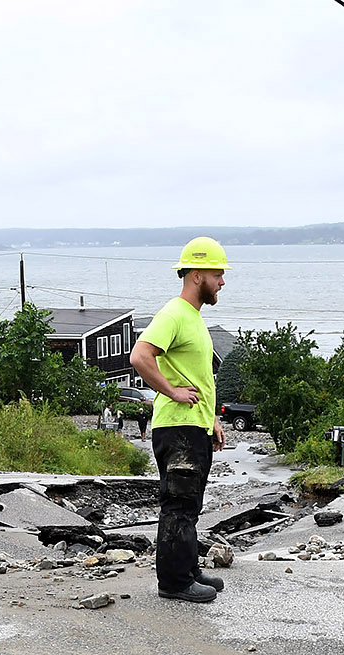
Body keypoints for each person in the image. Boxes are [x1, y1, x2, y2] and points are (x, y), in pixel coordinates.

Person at [129, 237, 228, 603]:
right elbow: (141, 356)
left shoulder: (194, 318)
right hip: (177, 428)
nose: (222, 281)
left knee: (191, 503)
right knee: (179, 504)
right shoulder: (173, 313)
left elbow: (199, 379)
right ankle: (174, 582)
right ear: (197, 274)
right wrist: (171, 392)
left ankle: (187, 568)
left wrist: (211, 421)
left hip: (194, 427)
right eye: (218, 273)